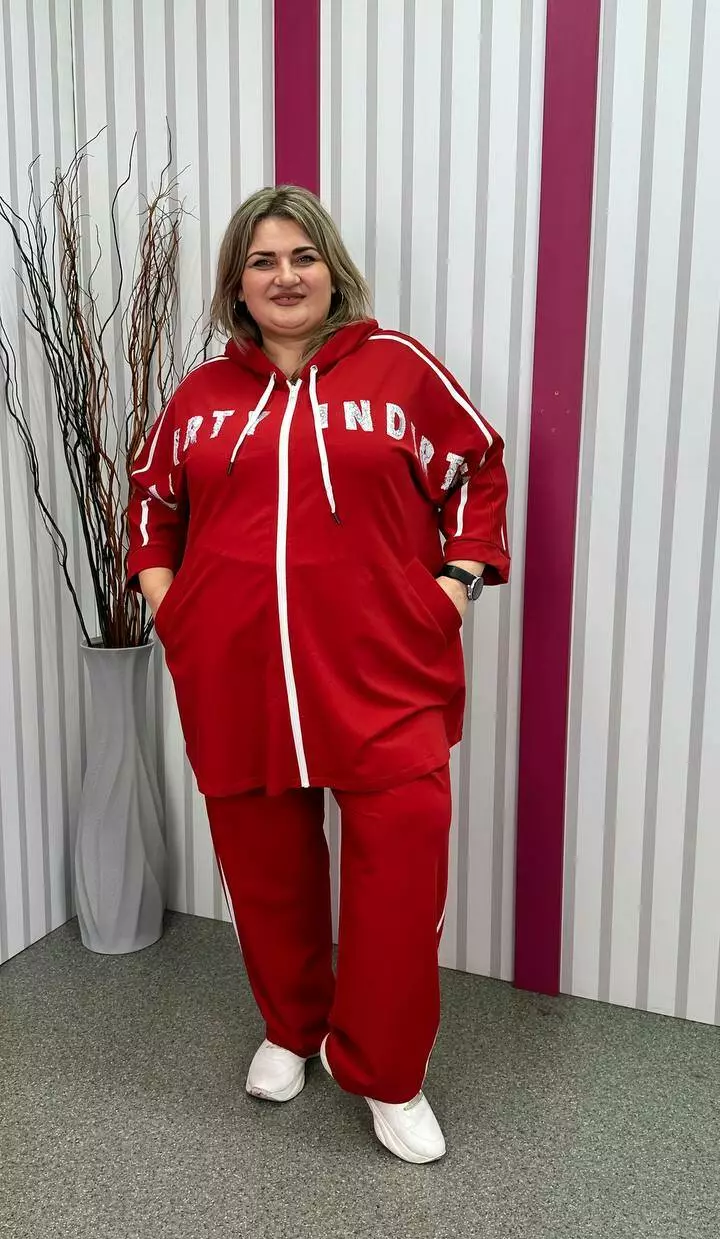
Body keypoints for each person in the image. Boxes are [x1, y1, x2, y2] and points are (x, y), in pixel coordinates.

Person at [126, 185, 510, 1165]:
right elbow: (150, 500)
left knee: (399, 879)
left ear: (332, 270)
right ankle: (293, 1027)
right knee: (267, 875)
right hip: (238, 678)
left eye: (303, 256)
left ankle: (386, 1069)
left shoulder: (399, 370)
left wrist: (453, 588)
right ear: (237, 285)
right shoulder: (200, 398)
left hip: (387, 675)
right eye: (263, 261)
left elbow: (476, 469)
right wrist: (175, 607)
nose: (285, 276)